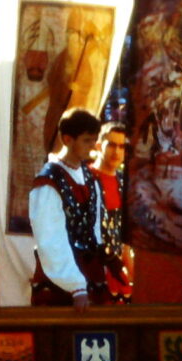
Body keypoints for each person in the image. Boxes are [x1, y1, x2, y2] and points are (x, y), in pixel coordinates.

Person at [29, 107, 110, 308]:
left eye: (94, 140)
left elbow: (95, 230)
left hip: (91, 277)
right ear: (67, 139)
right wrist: (76, 286)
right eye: (86, 140)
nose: (92, 147)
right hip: (59, 284)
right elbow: (50, 239)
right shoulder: (49, 182)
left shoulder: (91, 177)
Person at [91, 121, 133, 300]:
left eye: (122, 146)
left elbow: (124, 240)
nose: (117, 152)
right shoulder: (84, 179)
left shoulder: (126, 184)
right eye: (112, 145)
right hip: (89, 270)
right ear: (99, 146)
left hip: (116, 272)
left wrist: (131, 272)